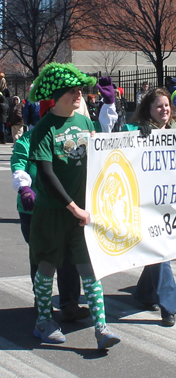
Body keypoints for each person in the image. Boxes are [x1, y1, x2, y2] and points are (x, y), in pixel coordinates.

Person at [27, 62, 120, 349]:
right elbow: (46, 173)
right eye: (73, 91)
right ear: (58, 95)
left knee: (89, 270)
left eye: (80, 90)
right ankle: (43, 321)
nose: (79, 94)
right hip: (53, 213)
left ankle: (102, 328)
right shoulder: (44, 129)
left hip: (83, 214)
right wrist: (72, 207)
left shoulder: (84, 122)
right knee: (46, 268)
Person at [11, 100, 90, 322]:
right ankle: (42, 302)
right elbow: (19, 165)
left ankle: (70, 303)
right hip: (34, 209)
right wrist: (25, 187)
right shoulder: (28, 139)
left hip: (67, 207)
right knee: (42, 258)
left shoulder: (74, 133)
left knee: (69, 258)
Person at [121, 87, 176, 326]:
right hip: (144, 204)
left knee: (158, 251)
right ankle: (169, 305)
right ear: (148, 110)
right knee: (160, 251)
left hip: (171, 203)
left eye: (166, 105)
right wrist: (136, 137)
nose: (164, 109)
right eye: (158, 106)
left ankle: (144, 293)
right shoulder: (135, 131)